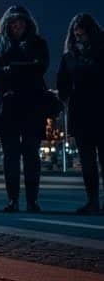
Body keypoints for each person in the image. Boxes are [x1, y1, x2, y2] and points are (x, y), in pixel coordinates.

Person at [0, 5, 52, 213]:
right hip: (10, 105)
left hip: (30, 105)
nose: (17, 27)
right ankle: (13, 199)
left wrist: (10, 69)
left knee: (31, 154)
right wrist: (24, 67)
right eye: (14, 23)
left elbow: (40, 67)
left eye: (21, 23)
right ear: (7, 25)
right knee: (11, 155)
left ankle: (32, 200)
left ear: (27, 24)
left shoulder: (34, 44)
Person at [58, 13, 104, 214]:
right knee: (87, 160)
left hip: (97, 109)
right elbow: (62, 83)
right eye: (76, 32)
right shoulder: (70, 56)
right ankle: (92, 200)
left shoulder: (73, 56)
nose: (79, 35)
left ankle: (94, 201)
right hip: (82, 110)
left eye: (82, 32)